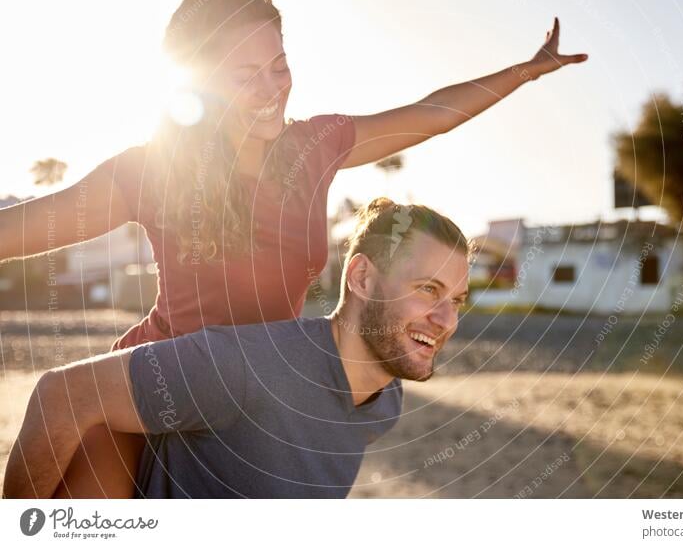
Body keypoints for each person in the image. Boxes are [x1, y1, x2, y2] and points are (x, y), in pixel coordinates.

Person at [0, 0, 586, 498]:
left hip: (252, 396)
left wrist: (524, 71)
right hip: (152, 383)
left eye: (278, 65)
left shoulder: (312, 149)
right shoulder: (156, 169)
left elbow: (428, 113)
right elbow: (27, 226)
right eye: (245, 75)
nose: (271, 87)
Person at [3, 198, 472, 498]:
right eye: (428, 290)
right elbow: (62, 396)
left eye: (456, 300)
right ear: (363, 278)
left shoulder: (385, 401)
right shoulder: (248, 366)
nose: (447, 320)